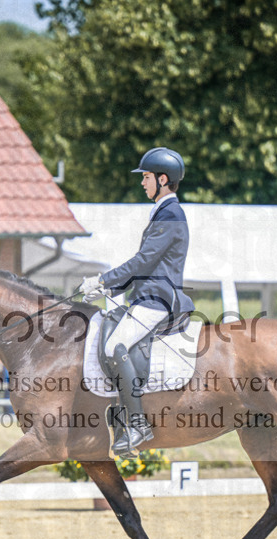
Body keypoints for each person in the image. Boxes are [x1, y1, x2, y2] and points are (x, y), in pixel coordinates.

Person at [79, 147, 195, 455]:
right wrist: (110, 291)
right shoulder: (162, 212)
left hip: (158, 299)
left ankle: (138, 425)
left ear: (162, 179)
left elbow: (144, 261)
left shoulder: (171, 215)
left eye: (146, 177)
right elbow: (146, 265)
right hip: (147, 296)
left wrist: (104, 280)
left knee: (114, 347)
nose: (142, 183)